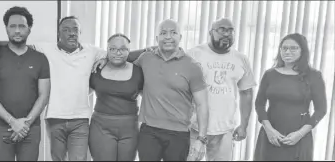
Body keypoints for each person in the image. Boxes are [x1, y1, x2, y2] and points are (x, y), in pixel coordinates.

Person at [0, 16, 148, 161]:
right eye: (66, 29)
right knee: (58, 158)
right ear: (59, 33)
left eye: (75, 29)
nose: (71, 33)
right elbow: (19, 43)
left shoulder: (92, 51)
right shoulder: (45, 49)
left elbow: (120, 54)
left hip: (81, 119)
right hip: (55, 118)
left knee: (79, 158)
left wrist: (152, 50)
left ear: (80, 32)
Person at [126, 19, 210, 161]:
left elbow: (202, 105)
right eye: (163, 33)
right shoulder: (145, 58)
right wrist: (103, 59)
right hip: (149, 131)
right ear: (157, 38)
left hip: (179, 134)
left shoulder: (193, 66)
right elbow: (121, 59)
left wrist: (201, 139)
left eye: (173, 33)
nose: (168, 37)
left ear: (180, 37)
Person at [0, 6, 50, 161]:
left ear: (29, 29)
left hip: (31, 129)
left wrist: (25, 124)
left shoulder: (40, 58)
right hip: (1, 127)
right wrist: (12, 121)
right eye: (12, 26)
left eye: (22, 26)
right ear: (6, 28)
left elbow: (44, 95)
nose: (17, 31)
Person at [185, 18, 256, 161]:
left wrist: (243, 125)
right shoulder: (193, 54)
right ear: (211, 32)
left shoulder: (240, 59)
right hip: (193, 128)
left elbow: (246, 93)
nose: (227, 34)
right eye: (222, 30)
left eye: (230, 31)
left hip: (225, 129)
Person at [253, 33, 326, 161]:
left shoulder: (314, 76)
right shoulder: (270, 74)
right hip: (270, 135)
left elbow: (321, 110)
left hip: (299, 137)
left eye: (293, 48)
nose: (288, 51)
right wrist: (269, 129)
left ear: (302, 51)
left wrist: (300, 134)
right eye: (284, 48)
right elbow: (259, 104)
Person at [88, 34, 144, 161]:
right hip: (101, 127)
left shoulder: (139, 71)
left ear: (129, 51)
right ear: (106, 51)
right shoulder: (96, 69)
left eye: (123, 49)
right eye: (112, 49)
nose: (117, 53)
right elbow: (82, 92)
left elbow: (149, 97)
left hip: (130, 128)